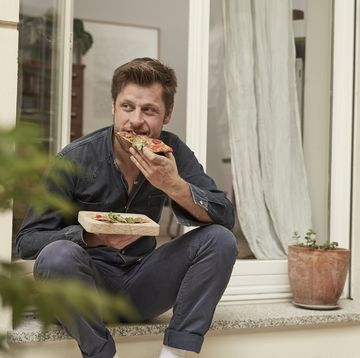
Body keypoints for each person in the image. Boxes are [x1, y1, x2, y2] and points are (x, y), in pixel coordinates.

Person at [16, 57, 238, 358]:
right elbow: (27, 241)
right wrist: (90, 236)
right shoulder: (73, 158)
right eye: (127, 107)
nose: (135, 121)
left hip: (141, 286)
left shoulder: (171, 152)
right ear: (113, 107)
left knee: (220, 240)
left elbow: (224, 215)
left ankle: (174, 354)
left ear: (167, 114)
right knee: (56, 255)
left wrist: (174, 185)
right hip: (85, 290)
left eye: (149, 110)